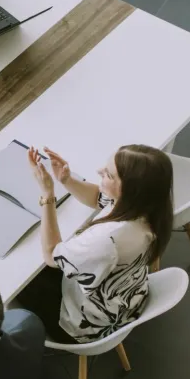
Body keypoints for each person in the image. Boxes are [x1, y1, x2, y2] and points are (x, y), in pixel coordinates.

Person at [17, 145, 173, 343]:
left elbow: (50, 254)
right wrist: (66, 180)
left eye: (108, 174)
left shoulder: (108, 239)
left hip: (85, 325)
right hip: (124, 300)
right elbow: (97, 198)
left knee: (21, 276)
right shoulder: (149, 208)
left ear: (129, 189)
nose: (99, 171)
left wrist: (47, 195)